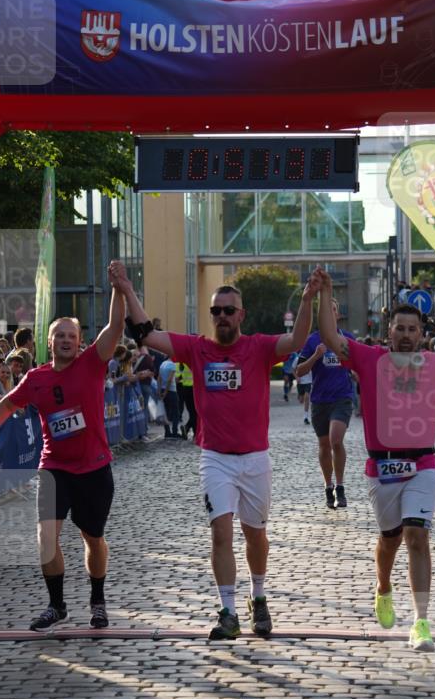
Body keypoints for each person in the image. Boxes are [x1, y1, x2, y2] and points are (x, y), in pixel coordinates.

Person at [111, 260, 319, 640]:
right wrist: (125, 289)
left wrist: (307, 299)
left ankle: (258, 596)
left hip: (255, 458)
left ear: (241, 314)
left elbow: (298, 340)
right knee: (220, 534)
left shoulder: (258, 348)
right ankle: (228, 611)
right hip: (215, 459)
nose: (221, 317)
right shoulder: (197, 349)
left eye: (228, 311)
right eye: (215, 311)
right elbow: (145, 334)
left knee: (255, 536)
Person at [319, 272, 435, 652]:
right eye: (400, 328)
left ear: (421, 332)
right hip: (381, 468)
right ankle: (383, 586)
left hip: (423, 464)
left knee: (417, 536)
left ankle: (421, 621)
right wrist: (325, 295)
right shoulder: (368, 358)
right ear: (389, 332)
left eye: (413, 329)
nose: (407, 334)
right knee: (390, 540)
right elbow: (332, 339)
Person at [0, 263, 127, 632]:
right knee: (46, 537)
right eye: (58, 334)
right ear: (48, 342)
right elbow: (8, 404)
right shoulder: (36, 378)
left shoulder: (93, 362)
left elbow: (116, 328)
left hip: (93, 468)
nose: (65, 340)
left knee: (92, 537)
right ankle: (56, 605)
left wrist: (118, 289)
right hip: (54, 467)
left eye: (71, 335)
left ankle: (97, 599)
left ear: (80, 341)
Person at [295, 299, 355, 509]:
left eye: (333, 310)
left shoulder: (347, 338)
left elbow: (359, 366)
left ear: (338, 315)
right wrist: (315, 356)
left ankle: (340, 486)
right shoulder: (313, 341)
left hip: (342, 397)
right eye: (325, 311)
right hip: (320, 400)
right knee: (324, 445)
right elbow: (299, 370)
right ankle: (328, 486)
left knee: (336, 440)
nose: (330, 314)